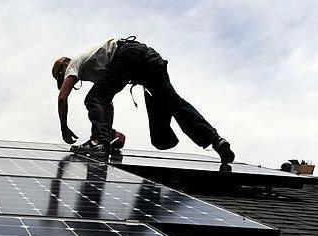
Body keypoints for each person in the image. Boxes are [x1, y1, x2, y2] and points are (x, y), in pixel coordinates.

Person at [52, 36, 235, 163]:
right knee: (172, 111)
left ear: (64, 67)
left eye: (62, 77)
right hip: (149, 60)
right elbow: (107, 103)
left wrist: (63, 128)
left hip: (128, 55)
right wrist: (109, 133)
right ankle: (215, 140)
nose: (65, 80)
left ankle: (98, 143)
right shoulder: (94, 67)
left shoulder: (73, 63)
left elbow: (62, 98)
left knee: (92, 98)